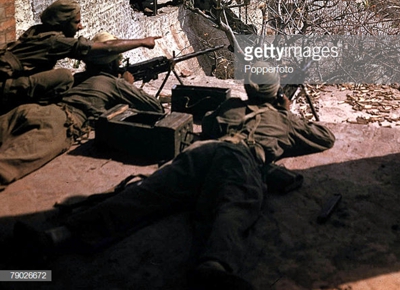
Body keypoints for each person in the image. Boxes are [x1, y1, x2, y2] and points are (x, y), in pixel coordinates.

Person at [17, 67, 335, 290]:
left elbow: (210, 125)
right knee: (233, 208)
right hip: (242, 159)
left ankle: (56, 236)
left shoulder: (234, 109)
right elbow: (325, 138)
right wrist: (287, 112)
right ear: (276, 93)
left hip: (205, 151)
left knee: (145, 194)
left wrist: (237, 109)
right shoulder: (283, 119)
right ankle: (213, 269)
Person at [0, 32, 164, 187]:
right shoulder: (114, 84)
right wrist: (128, 86)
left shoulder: (77, 77)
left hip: (30, 111)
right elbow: (156, 108)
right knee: (5, 169)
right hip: (59, 123)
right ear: (115, 61)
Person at [0, 0, 161, 113]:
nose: (81, 26)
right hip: (5, 89)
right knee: (64, 77)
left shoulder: (38, 31)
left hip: (9, 82)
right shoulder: (55, 41)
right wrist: (143, 41)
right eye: (76, 22)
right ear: (62, 23)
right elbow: (106, 48)